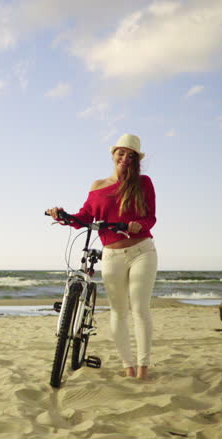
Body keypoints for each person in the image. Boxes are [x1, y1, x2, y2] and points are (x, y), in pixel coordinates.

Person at [46, 133, 158, 380]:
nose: (125, 158)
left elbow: (151, 217)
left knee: (139, 308)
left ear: (136, 160)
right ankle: (127, 365)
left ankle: (143, 368)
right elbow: (85, 217)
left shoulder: (143, 183)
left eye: (131, 155)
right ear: (113, 154)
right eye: (121, 152)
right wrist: (61, 215)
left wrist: (138, 225)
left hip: (142, 251)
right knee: (118, 311)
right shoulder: (97, 186)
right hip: (112, 255)